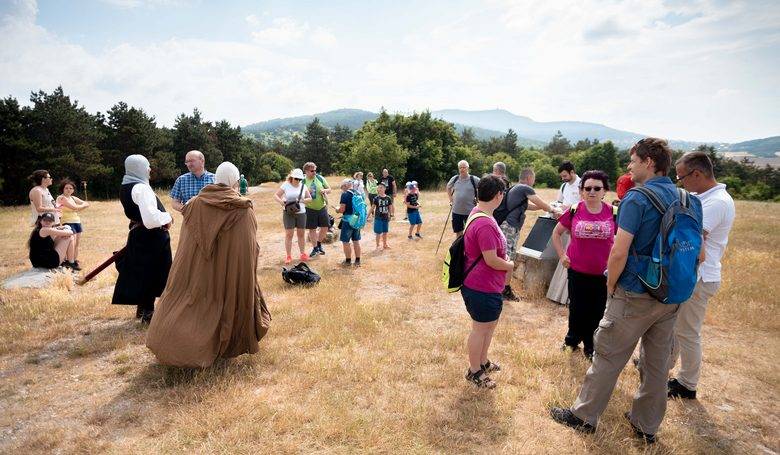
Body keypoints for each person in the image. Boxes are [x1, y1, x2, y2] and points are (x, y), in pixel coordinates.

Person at [550, 138, 703, 444]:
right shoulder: (690, 200)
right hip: (672, 295)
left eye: (633, 161)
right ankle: (646, 426)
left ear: (649, 162)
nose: (629, 166)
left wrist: (611, 286)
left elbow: (618, 253)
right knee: (657, 366)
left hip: (635, 293)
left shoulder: (637, 198)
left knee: (607, 356)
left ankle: (584, 416)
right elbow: (699, 253)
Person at [146, 162, 271, 368]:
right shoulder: (241, 208)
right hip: (226, 271)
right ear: (235, 182)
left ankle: (172, 341)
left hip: (199, 271)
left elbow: (188, 245)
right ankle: (219, 345)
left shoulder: (194, 203)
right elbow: (247, 249)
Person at [667, 151, 735, 399]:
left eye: (681, 177)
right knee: (676, 326)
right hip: (694, 275)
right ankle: (665, 365)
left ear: (697, 174)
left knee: (687, 331)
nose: (680, 182)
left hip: (700, 276)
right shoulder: (705, 198)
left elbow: (693, 240)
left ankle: (687, 383)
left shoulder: (716, 202)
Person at [552, 170, 616, 360]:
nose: (592, 192)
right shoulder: (574, 210)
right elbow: (556, 234)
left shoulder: (613, 213)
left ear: (605, 190)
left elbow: (624, 241)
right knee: (577, 308)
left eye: (597, 188)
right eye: (587, 188)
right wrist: (562, 255)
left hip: (603, 273)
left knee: (596, 310)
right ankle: (571, 341)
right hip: (577, 270)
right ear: (581, 190)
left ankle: (590, 345)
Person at [461, 175, 514, 389]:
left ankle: (483, 362)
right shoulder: (484, 223)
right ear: (499, 195)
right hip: (481, 286)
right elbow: (491, 259)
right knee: (480, 329)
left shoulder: (479, 213)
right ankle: (474, 371)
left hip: (487, 285)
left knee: (488, 327)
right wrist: (510, 265)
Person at [112, 155, 173, 324]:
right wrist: (167, 217)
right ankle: (149, 313)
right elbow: (151, 219)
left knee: (143, 272)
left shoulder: (126, 186)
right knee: (155, 273)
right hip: (152, 237)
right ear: (139, 168)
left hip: (140, 235)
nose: (149, 169)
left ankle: (143, 308)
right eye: (147, 166)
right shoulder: (141, 188)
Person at [497, 168, 559, 301]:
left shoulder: (516, 188)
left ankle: (501, 287)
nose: (534, 181)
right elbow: (538, 201)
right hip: (510, 227)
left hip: (506, 225)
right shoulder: (525, 188)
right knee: (507, 258)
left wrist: (542, 207)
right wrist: (553, 209)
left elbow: (528, 206)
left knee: (505, 256)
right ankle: (504, 290)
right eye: (534, 179)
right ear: (529, 177)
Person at [547, 161, 583, 305]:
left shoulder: (583, 185)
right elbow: (558, 202)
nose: (563, 179)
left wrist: (568, 208)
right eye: (562, 177)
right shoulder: (563, 186)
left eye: (565, 176)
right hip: (564, 224)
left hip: (577, 228)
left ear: (572, 172)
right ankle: (559, 294)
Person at [274, 168, 313, 264]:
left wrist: (302, 200)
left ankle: (302, 254)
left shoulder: (303, 186)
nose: (298, 181)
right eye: (296, 179)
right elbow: (276, 195)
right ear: (292, 177)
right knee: (289, 234)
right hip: (288, 213)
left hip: (301, 212)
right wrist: (282, 203)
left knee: (301, 234)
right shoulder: (286, 185)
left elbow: (310, 198)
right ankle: (288, 256)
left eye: (300, 179)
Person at [56, 178, 90, 269]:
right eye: (66, 188)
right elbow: (75, 207)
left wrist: (79, 207)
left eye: (71, 188)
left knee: (77, 244)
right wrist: (80, 207)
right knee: (71, 243)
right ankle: (67, 261)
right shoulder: (61, 198)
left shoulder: (73, 198)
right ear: (62, 189)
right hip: (67, 222)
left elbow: (86, 203)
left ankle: (74, 261)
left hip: (77, 221)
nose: (69, 190)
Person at [303, 162, 332, 257]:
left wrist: (324, 190)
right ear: (306, 171)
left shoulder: (320, 178)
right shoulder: (302, 181)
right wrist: (307, 192)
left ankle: (319, 244)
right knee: (312, 229)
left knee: (325, 227)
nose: (314, 172)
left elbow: (329, 189)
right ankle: (315, 248)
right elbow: (299, 195)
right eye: (312, 171)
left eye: (315, 170)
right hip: (309, 208)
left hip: (322, 207)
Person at [447, 160, 480, 236]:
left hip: (470, 211)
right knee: (458, 232)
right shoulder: (455, 179)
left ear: (468, 168)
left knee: (471, 232)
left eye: (464, 167)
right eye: (460, 168)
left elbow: (482, 187)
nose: (462, 169)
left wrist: (478, 199)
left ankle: (469, 247)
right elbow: (448, 187)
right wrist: (451, 199)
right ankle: (459, 247)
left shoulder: (474, 179)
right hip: (456, 211)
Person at [337, 178, 362, 267]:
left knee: (345, 241)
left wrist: (337, 210)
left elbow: (342, 209)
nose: (342, 189)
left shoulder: (345, 194)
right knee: (356, 241)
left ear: (346, 185)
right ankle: (358, 260)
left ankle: (348, 261)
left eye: (342, 187)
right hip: (357, 220)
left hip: (347, 221)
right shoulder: (358, 193)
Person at [371, 183, 393, 250]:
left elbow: (390, 207)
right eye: (379, 188)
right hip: (378, 218)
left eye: (381, 187)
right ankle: (377, 245)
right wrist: (367, 216)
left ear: (385, 188)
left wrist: (390, 215)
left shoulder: (388, 198)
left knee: (385, 232)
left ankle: (385, 244)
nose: (380, 189)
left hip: (385, 217)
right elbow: (372, 208)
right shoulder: (376, 198)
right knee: (378, 232)